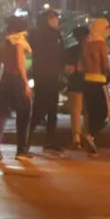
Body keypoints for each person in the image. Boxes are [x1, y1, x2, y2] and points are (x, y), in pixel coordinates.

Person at [0, 16, 33, 161]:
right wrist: (26, 83)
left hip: (5, 80)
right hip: (16, 80)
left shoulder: (3, 45)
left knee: (1, 114)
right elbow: (20, 64)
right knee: (24, 112)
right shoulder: (18, 44)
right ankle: (21, 149)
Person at [28, 9, 66, 152]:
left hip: (53, 76)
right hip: (43, 76)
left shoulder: (56, 34)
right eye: (53, 17)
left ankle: (49, 140)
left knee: (52, 109)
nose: (56, 20)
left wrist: (61, 68)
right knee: (39, 108)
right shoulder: (39, 34)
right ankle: (27, 139)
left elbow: (61, 52)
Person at [81, 17, 110, 155]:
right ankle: (92, 135)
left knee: (92, 111)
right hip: (99, 80)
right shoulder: (101, 44)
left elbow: (81, 63)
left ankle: (91, 141)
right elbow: (104, 64)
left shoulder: (86, 43)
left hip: (86, 80)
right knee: (107, 112)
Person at [65, 25, 90, 149]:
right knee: (84, 111)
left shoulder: (70, 51)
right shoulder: (90, 49)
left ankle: (78, 136)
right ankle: (84, 136)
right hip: (86, 83)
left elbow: (66, 68)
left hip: (76, 83)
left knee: (76, 111)